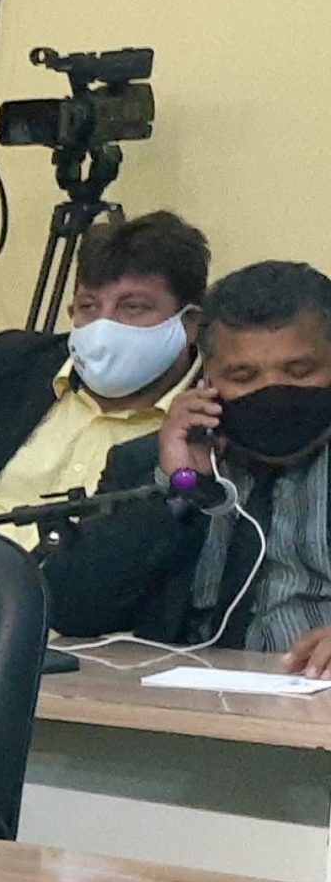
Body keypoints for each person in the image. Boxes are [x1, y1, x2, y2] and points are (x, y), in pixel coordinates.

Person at [45, 260, 331, 677]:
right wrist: (179, 488)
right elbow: (74, 611)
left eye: (299, 371)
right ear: (207, 378)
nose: (271, 389)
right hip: (184, 701)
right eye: (243, 376)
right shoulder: (147, 462)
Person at [0, 211, 210, 544]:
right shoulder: (6, 365)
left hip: (81, 580)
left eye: (132, 307)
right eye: (88, 307)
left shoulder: (209, 421)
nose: (104, 327)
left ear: (191, 323)